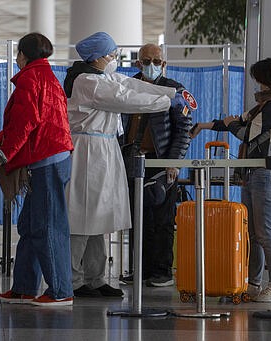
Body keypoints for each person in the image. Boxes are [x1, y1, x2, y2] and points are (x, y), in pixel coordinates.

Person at [64, 32, 176, 298]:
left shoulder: (103, 77)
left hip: (104, 149)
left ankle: (96, 277)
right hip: (87, 151)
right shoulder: (86, 81)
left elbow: (132, 86)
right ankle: (73, 278)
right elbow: (125, 99)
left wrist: (171, 91)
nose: (115, 58)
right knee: (82, 217)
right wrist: (167, 102)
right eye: (111, 54)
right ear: (98, 57)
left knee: (101, 217)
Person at [189, 57, 271, 302]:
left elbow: (246, 133)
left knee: (266, 233)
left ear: (270, 79)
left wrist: (231, 123)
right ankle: (254, 283)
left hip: (265, 174)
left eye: (260, 80)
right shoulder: (263, 106)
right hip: (253, 173)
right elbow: (238, 122)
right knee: (254, 235)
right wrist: (204, 126)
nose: (257, 85)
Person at [0, 33, 75, 307]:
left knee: (48, 226)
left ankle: (60, 290)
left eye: (18, 53)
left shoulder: (31, 78)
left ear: (23, 55)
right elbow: (19, 125)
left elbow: (25, 123)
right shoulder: (47, 76)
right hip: (50, 156)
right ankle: (24, 287)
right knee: (29, 224)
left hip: (47, 159)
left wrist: (4, 156)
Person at [120, 43, 193, 288]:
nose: (152, 65)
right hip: (133, 159)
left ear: (164, 63)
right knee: (137, 218)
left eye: (157, 61)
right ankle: (140, 270)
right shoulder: (128, 86)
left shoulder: (175, 90)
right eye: (147, 60)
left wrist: (174, 162)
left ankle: (162, 271)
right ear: (138, 63)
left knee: (162, 218)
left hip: (162, 161)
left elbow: (184, 130)